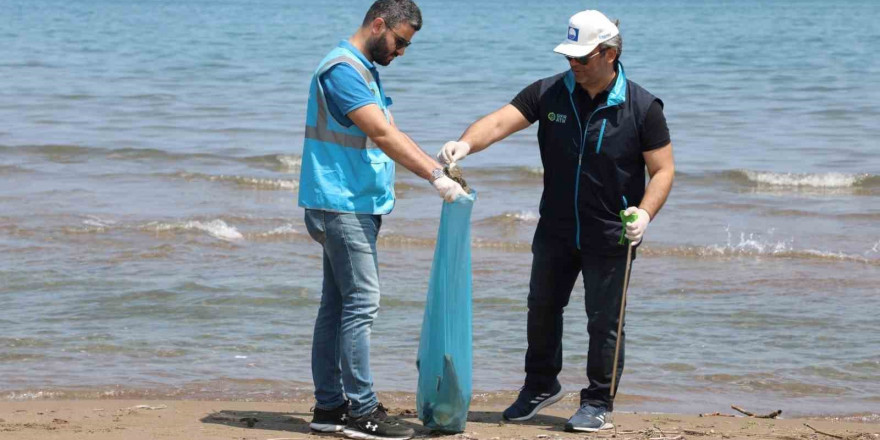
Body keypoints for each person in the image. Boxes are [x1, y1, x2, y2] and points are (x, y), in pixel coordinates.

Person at [436, 10, 674, 433]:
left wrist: (645, 212)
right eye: (570, 56)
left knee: (604, 321)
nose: (574, 64)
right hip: (557, 227)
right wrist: (465, 143)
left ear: (610, 53)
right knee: (542, 307)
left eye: (583, 57)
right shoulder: (549, 93)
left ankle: (599, 401)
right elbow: (499, 121)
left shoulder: (642, 107)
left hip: (611, 233)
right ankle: (541, 385)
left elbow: (664, 170)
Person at [298, 1, 466, 438]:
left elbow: (389, 131)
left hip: (352, 203)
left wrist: (439, 165)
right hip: (341, 205)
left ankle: (330, 407)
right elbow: (383, 133)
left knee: (337, 306)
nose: (402, 52)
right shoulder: (341, 71)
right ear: (378, 25)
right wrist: (434, 177)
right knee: (362, 303)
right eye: (400, 42)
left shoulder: (362, 69)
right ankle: (362, 411)